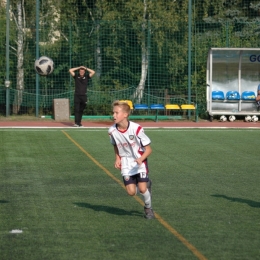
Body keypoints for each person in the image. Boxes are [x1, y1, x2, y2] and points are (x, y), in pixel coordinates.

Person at [108, 100, 155, 219]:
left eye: (116, 113)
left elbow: (149, 149)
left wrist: (141, 159)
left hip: (140, 161)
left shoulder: (137, 128)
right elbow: (115, 145)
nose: (113, 115)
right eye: (113, 113)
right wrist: (117, 158)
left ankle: (148, 208)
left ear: (125, 114)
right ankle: (145, 183)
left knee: (143, 189)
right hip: (126, 163)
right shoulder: (112, 131)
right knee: (131, 192)